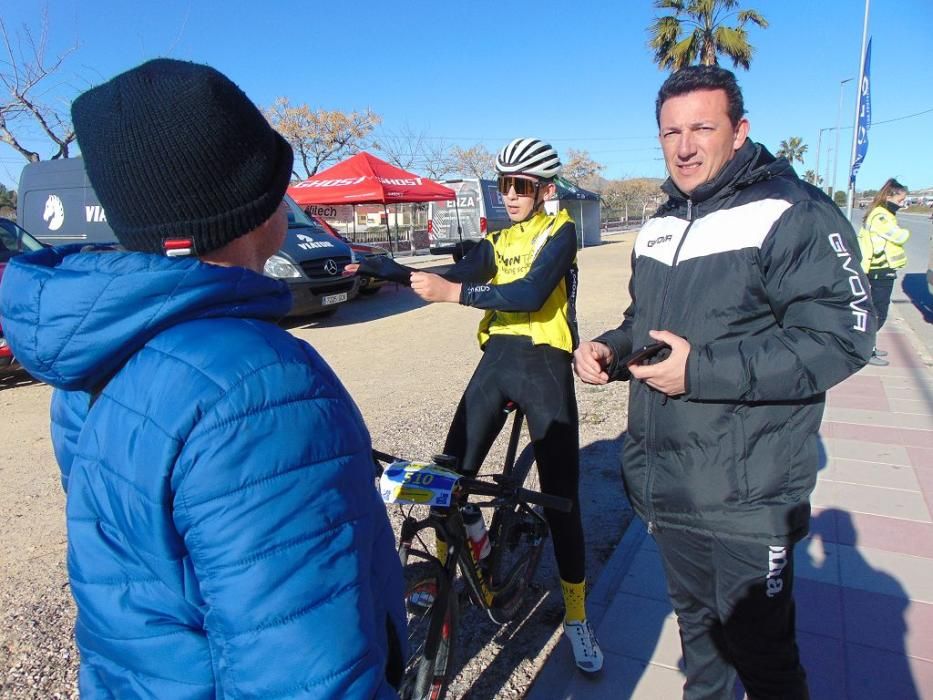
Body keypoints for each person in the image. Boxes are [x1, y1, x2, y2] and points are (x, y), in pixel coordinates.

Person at [0, 59, 404, 699]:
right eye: (276, 177)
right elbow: (306, 671)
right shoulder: (262, 389)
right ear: (244, 205)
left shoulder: (97, 357)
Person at [573, 66, 874, 699]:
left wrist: (701, 371)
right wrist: (612, 345)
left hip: (749, 497)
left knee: (764, 662)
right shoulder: (659, 223)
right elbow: (644, 322)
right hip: (670, 486)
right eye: (670, 132)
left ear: (739, 132)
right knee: (700, 653)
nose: (684, 146)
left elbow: (842, 339)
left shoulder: (795, 214)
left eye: (702, 128)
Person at [348, 138, 603, 673]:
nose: (509, 195)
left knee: (562, 499)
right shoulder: (499, 238)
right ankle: (446, 575)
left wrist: (453, 296)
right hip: (499, 360)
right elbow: (456, 274)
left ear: (544, 189)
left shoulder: (561, 232)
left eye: (521, 186)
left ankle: (577, 616)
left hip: (546, 367)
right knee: (446, 476)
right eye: (503, 184)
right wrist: (385, 269)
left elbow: (531, 293)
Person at [857, 178, 911, 366]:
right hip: (880, 269)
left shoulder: (881, 213)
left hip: (882, 269)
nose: (902, 204)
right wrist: (905, 232)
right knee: (879, 312)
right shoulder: (881, 216)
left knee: (878, 310)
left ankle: (869, 346)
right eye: (900, 200)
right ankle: (866, 350)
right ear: (889, 196)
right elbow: (898, 235)